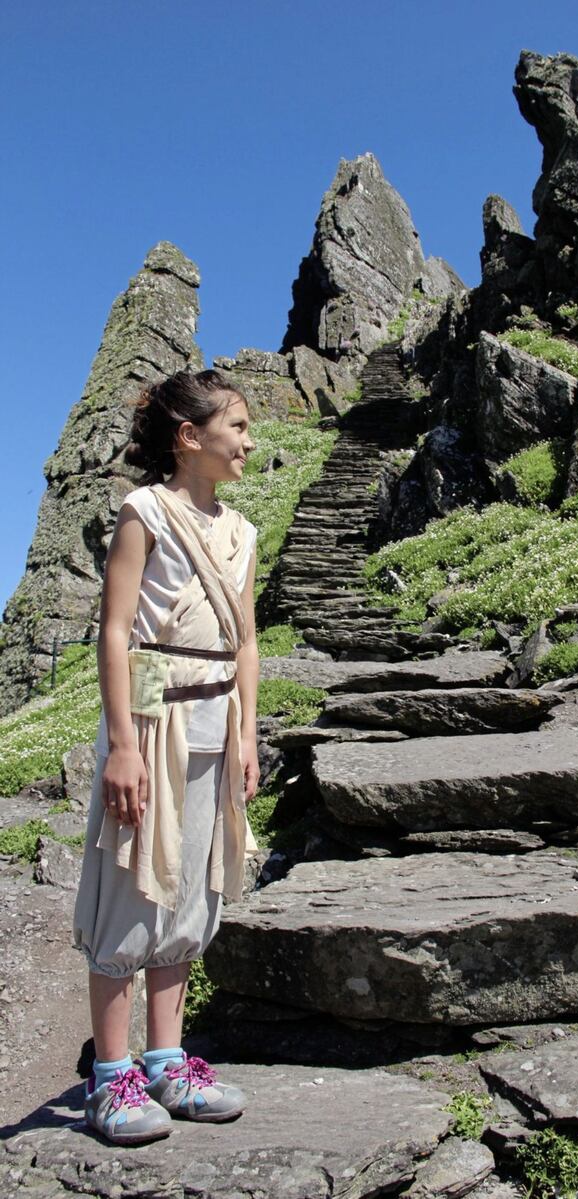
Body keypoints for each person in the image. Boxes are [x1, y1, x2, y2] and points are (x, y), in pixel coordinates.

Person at [73, 369, 260, 1144]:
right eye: (238, 427)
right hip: (152, 707)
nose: (249, 441)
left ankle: (167, 1059)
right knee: (132, 875)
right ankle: (111, 1078)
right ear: (191, 437)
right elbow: (118, 631)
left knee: (190, 882)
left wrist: (248, 733)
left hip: (217, 712)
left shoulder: (242, 531)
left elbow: (245, 640)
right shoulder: (144, 512)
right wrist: (124, 743)